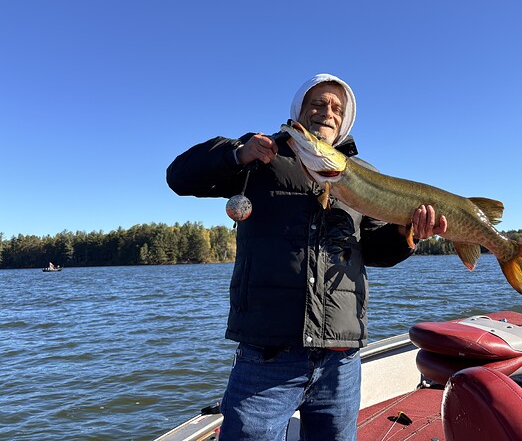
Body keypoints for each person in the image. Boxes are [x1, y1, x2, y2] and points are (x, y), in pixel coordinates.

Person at [166, 73, 447, 440]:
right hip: (267, 355)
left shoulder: (365, 175)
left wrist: (408, 235)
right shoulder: (259, 155)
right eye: (317, 103)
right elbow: (179, 177)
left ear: (345, 120)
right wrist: (236, 154)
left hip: (340, 358)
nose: (327, 112)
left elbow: (375, 251)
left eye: (337, 108)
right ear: (299, 109)